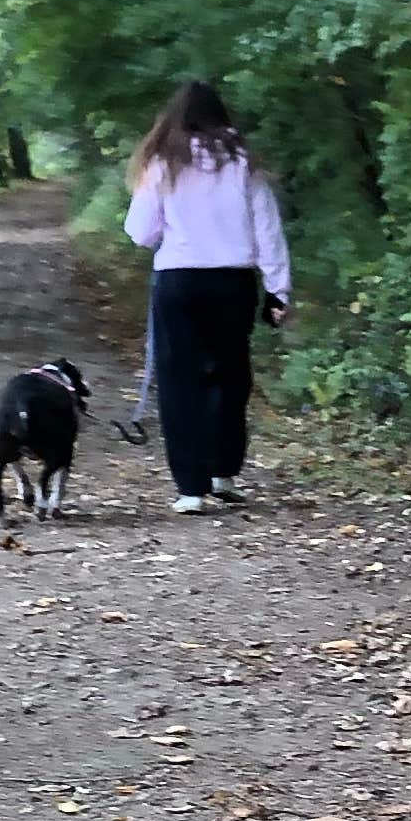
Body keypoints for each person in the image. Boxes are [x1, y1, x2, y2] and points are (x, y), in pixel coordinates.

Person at [123, 79, 289, 513]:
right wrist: (277, 290)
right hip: (232, 284)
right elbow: (267, 229)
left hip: (179, 281)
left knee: (180, 382)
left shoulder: (162, 163)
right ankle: (223, 473)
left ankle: (190, 489)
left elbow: (141, 233)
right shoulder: (242, 163)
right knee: (230, 377)